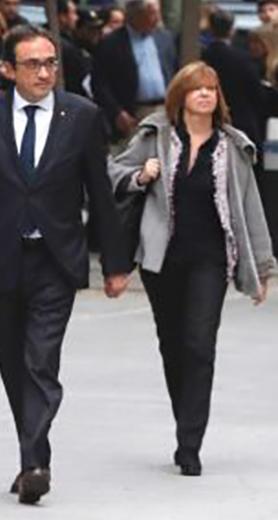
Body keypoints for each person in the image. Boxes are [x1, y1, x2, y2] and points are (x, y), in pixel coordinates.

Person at [0, 25, 132, 505]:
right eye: (33, 64)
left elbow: (100, 194)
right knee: (12, 364)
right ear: (9, 69)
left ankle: (35, 464)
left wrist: (116, 264)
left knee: (40, 361)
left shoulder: (81, 116)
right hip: (2, 258)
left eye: (50, 63)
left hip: (56, 259)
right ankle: (31, 457)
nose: (44, 72)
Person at [108, 62, 274, 477]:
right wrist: (140, 175)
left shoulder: (234, 147)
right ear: (180, 95)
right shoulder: (155, 135)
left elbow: (250, 209)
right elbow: (114, 171)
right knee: (173, 345)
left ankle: (189, 444)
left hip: (211, 260)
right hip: (162, 259)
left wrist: (263, 269)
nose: (205, 95)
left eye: (212, 89)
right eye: (197, 89)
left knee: (199, 345)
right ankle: (187, 416)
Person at [92, 0, 178, 141]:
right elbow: (100, 83)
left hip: (164, 111)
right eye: (152, 14)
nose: (157, 19)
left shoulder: (164, 38)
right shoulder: (112, 43)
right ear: (135, 15)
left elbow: (175, 71)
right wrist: (116, 112)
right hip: (132, 114)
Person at [202, 7, 265, 147]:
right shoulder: (243, 59)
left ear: (211, 29)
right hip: (242, 124)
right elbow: (257, 94)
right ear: (232, 30)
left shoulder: (202, 57)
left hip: (209, 121)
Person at [55, 0, 93, 98]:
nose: (76, 18)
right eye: (73, 13)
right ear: (62, 17)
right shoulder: (66, 48)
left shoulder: (72, 42)